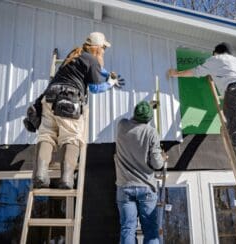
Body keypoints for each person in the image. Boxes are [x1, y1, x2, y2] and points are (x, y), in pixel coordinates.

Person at [167, 42, 236, 177]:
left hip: (235, 90)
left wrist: (176, 73)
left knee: (235, 129)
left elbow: (196, 71)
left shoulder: (216, 59)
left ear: (216, 52)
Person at [33, 32, 124, 189]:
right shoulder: (93, 61)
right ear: (97, 48)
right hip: (68, 101)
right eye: (103, 48)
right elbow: (95, 88)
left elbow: (94, 69)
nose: (104, 51)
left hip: (49, 97)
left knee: (47, 135)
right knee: (71, 137)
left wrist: (106, 73)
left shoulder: (74, 54)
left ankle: (40, 175)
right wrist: (110, 82)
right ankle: (66, 179)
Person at [115, 101, 165, 244]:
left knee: (127, 228)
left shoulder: (122, 125)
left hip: (125, 186)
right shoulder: (151, 133)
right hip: (146, 187)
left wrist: (147, 106)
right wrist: (162, 157)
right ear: (148, 119)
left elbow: (133, 120)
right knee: (150, 230)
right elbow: (157, 164)